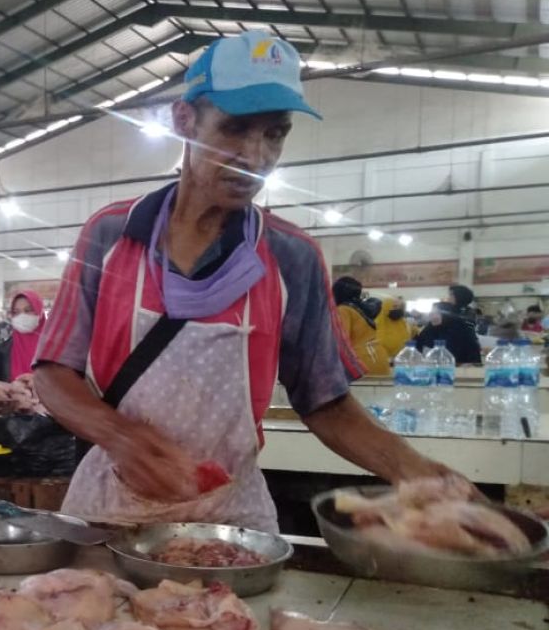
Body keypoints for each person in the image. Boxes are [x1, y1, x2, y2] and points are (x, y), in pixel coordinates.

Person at [33, 31, 460, 534]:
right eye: (234, 129)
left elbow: (325, 401)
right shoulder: (112, 235)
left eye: (275, 133)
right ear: (185, 121)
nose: (256, 158)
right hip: (110, 513)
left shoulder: (292, 257)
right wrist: (120, 436)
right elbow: (52, 374)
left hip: (232, 522)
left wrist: (411, 469)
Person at [0, 290, 47, 385]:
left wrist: (41, 383)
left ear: (40, 312)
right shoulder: (0, 353)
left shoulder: (58, 350)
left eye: (28, 310)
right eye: (16, 312)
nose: (22, 316)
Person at [332, 277, 389, 376]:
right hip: (378, 359)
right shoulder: (362, 309)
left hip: (361, 363)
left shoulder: (343, 310)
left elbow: (341, 343)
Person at [416, 302, 482, 365]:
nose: (432, 316)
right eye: (431, 313)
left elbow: (474, 358)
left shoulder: (463, 331)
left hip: (459, 372)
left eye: (436, 313)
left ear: (447, 315)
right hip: (431, 371)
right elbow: (416, 349)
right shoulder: (428, 330)